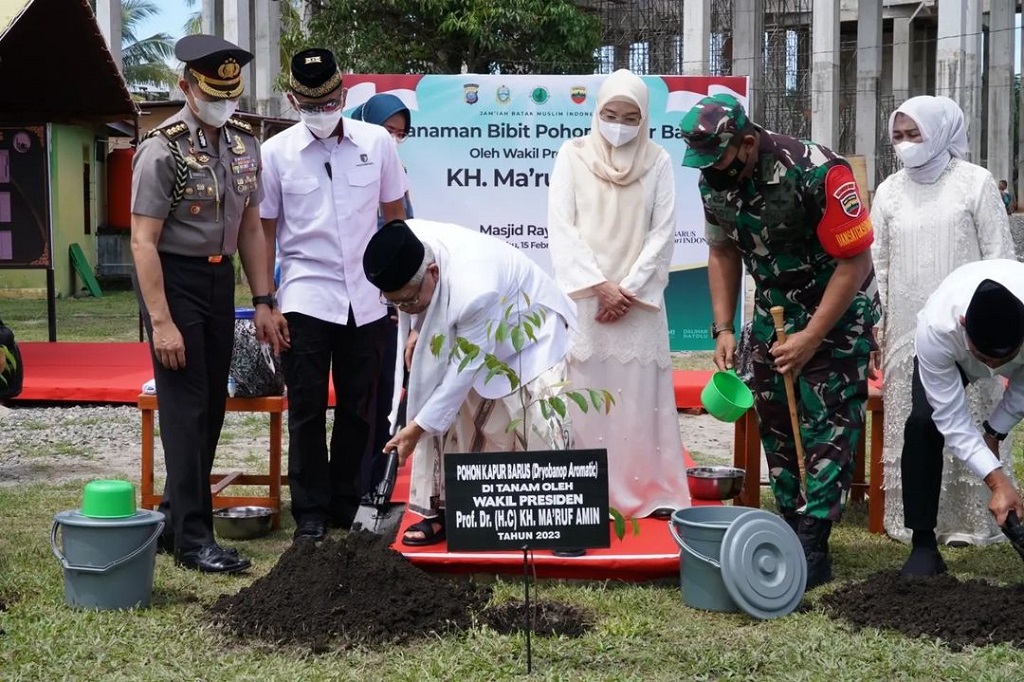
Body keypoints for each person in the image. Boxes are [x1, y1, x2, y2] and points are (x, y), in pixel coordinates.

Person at [679, 93, 880, 589]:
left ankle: (814, 538)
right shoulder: (714, 182)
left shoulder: (816, 171)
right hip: (773, 315)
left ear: (747, 143)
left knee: (827, 422)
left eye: (719, 158)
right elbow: (722, 251)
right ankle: (789, 520)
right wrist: (724, 327)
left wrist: (813, 335)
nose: (710, 170)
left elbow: (854, 262)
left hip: (836, 313)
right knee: (776, 420)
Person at [130, 34, 284, 574]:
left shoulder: (244, 145)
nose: (223, 103)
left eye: (230, 93)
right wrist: (162, 322)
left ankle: (176, 519)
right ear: (186, 87)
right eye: (212, 93)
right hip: (175, 281)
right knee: (185, 408)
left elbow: (249, 228)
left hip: (221, 285)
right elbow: (143, 241)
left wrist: (264, 299)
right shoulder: (161, 148)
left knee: (211, 408)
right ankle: (194, 538)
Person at [260, 48, 407, 542]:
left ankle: (347, 502)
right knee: (304, 407)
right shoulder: (275, 153)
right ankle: (310, 514)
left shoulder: (377, 144)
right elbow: (262, 231)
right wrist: (266, 299)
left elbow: (395, 217)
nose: (322, 112)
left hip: (367, 295)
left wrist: (402, 289)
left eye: (329, 102)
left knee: (359, 407)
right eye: (310, 103)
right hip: (305, 295)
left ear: (343, 95)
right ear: (292, 99)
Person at [363, 218, 577, 547]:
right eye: (395, 303)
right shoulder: (405, 242)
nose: (403, 309)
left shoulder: (477, 288)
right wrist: (419, 322)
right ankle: (442, 511)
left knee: (540, 418)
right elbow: (426, 302)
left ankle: (560, 519)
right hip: (471, 324)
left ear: (432, 273)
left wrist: (416, 429)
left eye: (407, 301)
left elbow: (464, 370)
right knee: (435, 396)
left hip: (529, 329)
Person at [871, 95, 1015, 546]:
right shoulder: (889, 190)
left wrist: (1003, 319)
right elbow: (879, 263)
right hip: (909, 326)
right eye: (898, 136)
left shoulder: (975, 182)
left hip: (977, 325)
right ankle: (917, 521)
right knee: (920, 422)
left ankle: (973, 518)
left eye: (915, 135)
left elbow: (1000, 255)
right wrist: (878, 322)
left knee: (969, 416)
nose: (906, 145)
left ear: (941, 132)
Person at [547, 68, 690, 520]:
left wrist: (626, 290)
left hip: (638, 306)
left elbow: (663, 233)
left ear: (644, 117)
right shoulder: (572, 156)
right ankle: (585, 494)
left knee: (637, 399)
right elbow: (562, 228)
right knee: (585, 394)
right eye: (611, 114)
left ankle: (649, 490)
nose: (620, 124)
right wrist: (601, 287)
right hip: (588, 301)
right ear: (597, 112)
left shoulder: (659, 161)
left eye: (631, 116)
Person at [899, 259, 1024, 576]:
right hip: (951, 353)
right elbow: (952, 421)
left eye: (1003, 360)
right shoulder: (937, 329)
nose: (994, 367)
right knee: (922, 424)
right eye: (985, 357)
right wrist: (998, 483)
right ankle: (923, 544)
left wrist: (994, 432)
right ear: (965, 323)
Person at [349, 92, 416, 501]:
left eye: (400, 134)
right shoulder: (343, 166)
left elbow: (403, 232)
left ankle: (376, 480)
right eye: (387, 130)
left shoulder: (396, 173)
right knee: (359, 399)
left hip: (389, 303)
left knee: (386, 396)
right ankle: (351, 484)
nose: (392, 139)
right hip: (346, 298)